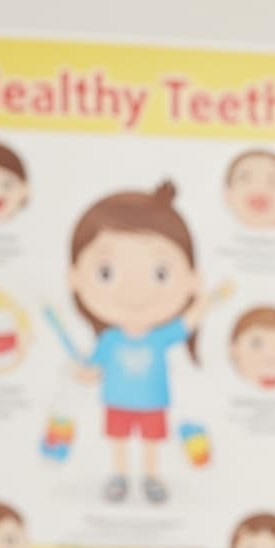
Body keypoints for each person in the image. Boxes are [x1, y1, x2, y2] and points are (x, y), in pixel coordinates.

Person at [65, 181, 230, 505]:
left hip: (153, 401)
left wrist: (209, 300)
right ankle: (120, 476)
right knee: (119, 440)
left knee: (152, 442)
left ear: (190, 279)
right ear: (75, 279)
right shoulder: (110, 339)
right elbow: (92, 365)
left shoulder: (160, 336)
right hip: (117, 400)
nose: (134, 294)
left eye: (160, 274)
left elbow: (189, 322)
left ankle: (151, 478)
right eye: (106, 272)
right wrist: (84, 374)